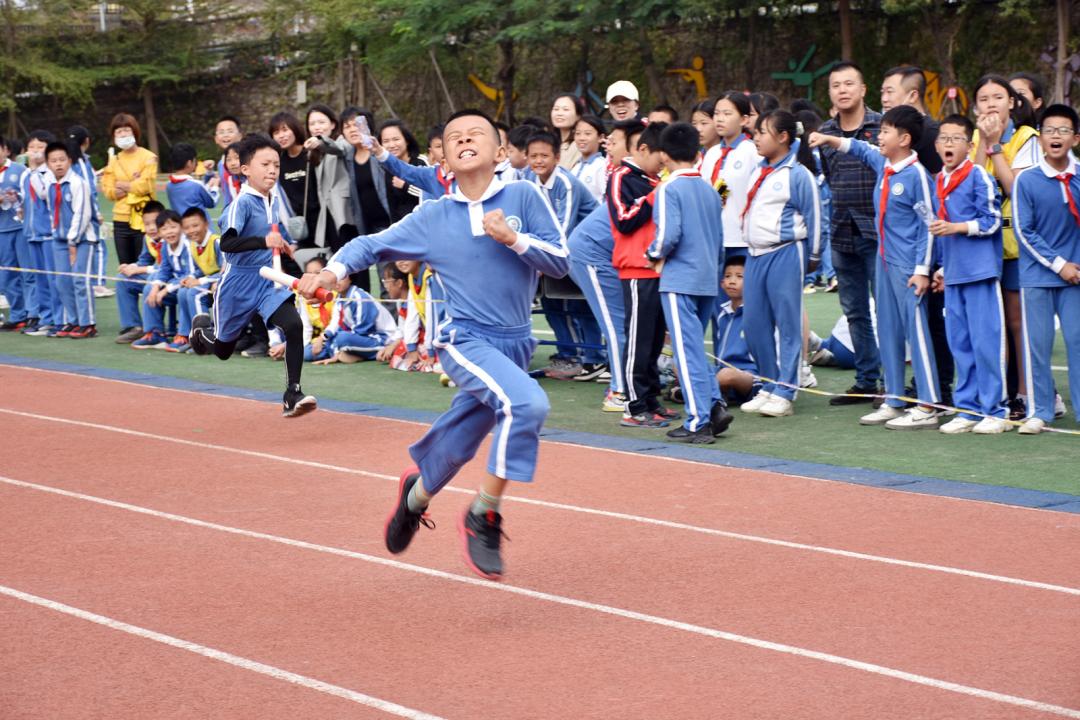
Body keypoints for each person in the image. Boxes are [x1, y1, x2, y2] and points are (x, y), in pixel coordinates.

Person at [298, 108, 569, 580]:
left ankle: (414, 498)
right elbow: (369, 246)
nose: (465, 141)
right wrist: (331, 272)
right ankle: (484, 514)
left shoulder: (524, 195)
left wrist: (514, 238)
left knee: (460, 443)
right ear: (443, 157)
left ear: (500, 151)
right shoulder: (434, 216)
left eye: (476, 135)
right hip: (465, 339)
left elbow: (561, 261)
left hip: (516, 344)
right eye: (454, 137)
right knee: (527, 405)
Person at [811, 105, 941, 430]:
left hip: (908, 267)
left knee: (916, 333)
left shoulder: (917, 176)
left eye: (885, 131)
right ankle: (895, 399)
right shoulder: (884, 166)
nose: (878, 136)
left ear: (905, 138)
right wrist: (827, 138)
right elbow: (856, 147)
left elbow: (931, 226)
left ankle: (928, 403)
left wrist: (923, 269)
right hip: (883, 262)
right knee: (888, 331)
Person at [189, 133, 317, 419]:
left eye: (276, 165)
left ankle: (292, 394)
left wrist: (279, 243)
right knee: (223, 349)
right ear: (245, 169)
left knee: (293, 325)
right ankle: (201, 330)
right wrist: (263, 242)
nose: (272, 170)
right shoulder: (241, 203)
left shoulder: (270, 199)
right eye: (265, 164)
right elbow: (227, 243)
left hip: (266, 279)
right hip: (236, 283)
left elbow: (267, 236)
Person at [645, 122, 732, 442]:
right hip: (708, 276)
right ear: (697, 153)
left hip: (680, 277)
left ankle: (698, 421)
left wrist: (651, 252)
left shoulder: (669, 188)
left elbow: (668, 235)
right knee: (695, 347)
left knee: (685, 351)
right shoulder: (710, 190)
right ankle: (714, 406)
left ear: (664, 155)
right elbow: (720, 240)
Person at [740, 111, 824, 419]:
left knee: (787, 322)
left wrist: (813, 256)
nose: (757, 137)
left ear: (783, 137)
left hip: (785, 251)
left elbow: (816, 217)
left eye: (763, 132)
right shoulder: (757, 170)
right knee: (753, 323)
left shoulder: (797, 174)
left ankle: (786, 390)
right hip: (755, 254)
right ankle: (768, 383)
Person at [928, 114, 1008, 434]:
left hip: (981, 274)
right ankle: (968, 408)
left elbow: (991, 221)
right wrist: (942, 269)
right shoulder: (939, 180)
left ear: (970, 145)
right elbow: (941, 230)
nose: (948, 144)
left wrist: (957, 227)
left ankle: (995, 409)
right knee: (959, 343)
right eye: (943, 138)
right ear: (935, 145)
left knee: (985, 343)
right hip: (955, 275)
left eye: (956, 138)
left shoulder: (978, 177)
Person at [971, 74, 1040, 419]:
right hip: (981, 245)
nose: (991, 104)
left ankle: (1030, 395)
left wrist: (994, 145)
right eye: (984, 99)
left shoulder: (1027, 138)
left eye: (998, 97)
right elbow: (968, 184)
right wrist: (981, 143)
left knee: (1017, 322)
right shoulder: (971, 138)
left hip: (1016, 243)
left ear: (1012, 102)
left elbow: (1017, 189)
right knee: (990, 323)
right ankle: (998, 395)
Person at [817, 62, 884, 405]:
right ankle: (866, 380)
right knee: (855, 310)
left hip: (878, 232)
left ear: (862, 89)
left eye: (848, 84)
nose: (842, 90)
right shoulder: (825, 131)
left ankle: (893, 384)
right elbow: (830, 178)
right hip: (841, 231)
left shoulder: (882, 126)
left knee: (886, 309)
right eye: (835, 85)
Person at [1012, 104, 1080, 435]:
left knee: (1078, 341)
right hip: (1038, 275)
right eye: (1049, 130)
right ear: (1041, 138)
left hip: (1076, 277)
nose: (1056, 136)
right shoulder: (1026, 179)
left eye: (1063, 130)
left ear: (1075, 138)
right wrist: (1059, 264)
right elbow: (1025, 231)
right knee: (1036, 344)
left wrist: (1074, 267)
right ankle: (1040, 411)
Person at [567, 118, 643, 413]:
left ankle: (635, 381)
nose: (608, 145)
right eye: (608, 140)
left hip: (614, 255)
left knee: (629, 322)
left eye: (613, 140)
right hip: (592, 254)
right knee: (616, 322)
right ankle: (620, 390)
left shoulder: (644, 174)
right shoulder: (624, 175)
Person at [609, 121, 676, 428]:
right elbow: (623, 220)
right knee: (637, 340)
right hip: (636, 270)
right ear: (643, 149)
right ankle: (634, 405)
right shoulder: (620, 175)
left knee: (651, 342)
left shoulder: (654, 180)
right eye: (660, 158)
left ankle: (651, 400)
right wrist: (653, 197)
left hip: (658, 270)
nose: (663, 165)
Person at [526, 130, 605, 381]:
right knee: (551, 302)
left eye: (544, 156)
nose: (538, 160)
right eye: (533, 155)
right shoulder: (528, 180)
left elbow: (564, 226)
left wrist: (539, 256)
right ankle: (568, 355)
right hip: (555, 251)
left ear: (557, 157)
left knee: (581, 303)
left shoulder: (566, 183)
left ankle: (594, 359)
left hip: (585, 249)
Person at [101, 113, 158, 342]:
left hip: (144, 220)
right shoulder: (113, 160)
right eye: (118, 132)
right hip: (121, 219)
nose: (123, 135)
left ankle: (152, 322)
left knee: (146, 265)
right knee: (126, 268)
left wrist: (125, 185)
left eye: (126, 131)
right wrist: (130, 185)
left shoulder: (148, 157)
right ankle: (132, 324)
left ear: (135, 132)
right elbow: (107, 189)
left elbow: (146, 184)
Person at [44, 141, 98, 339]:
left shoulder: (78, 183)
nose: (58, 164)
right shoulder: (50, 184)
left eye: (62, 160)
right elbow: (52, 210)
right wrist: (55, 231)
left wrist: (72, 241)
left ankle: (88, 324)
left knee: (80, 280)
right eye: (53, 161)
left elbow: (82, 214)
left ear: (69, 161)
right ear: (48, 164)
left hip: (82, 240)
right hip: (59, 240)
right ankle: (72, 321)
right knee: (63, 282)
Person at [701, 92, 759, 265]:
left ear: (744, 120)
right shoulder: (711, 154)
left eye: (727, 114)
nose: (719, 119)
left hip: (742, 239)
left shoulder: (752, 152)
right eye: (717, 113)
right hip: (714, 237)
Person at [339, 106, 392, 292]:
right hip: (367, 228)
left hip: (389, 224)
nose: (352, 129)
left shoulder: (380, 153)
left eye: (357, 124)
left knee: (390, 279)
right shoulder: (347, 157)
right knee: (382, 279)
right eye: (347, 126)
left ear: (368, 126)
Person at [132, 209, 190, 349]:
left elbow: (189, 274)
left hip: (191, 284)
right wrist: (156, 288)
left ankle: (184, 335)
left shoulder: (188, 245)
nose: (169, 232)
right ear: (160, 232)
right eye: (164, 229)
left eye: (173, 227)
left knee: (184, 293)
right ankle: (155, 333)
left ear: (181, 227)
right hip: (174, 284)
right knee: (149, 289)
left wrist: (165, 290)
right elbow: (164, 269)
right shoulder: (165, 246)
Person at [20, 130, 58, 335]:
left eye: (40, 147)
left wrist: (35, 171)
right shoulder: (26, 174)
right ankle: (45, 318)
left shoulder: (49, 173)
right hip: (31, 233)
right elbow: (25, 202)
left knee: (52, 279)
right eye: (31, 147)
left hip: (48, 234)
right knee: (39, 279)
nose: (34, 152)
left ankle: (56, 319)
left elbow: (45, 195)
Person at [169, 207, 222, 353]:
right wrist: (191, 277)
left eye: (195, 225)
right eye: (187, 227)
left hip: (221, 285)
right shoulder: (193, 245)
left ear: (206, 224)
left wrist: (200, 281)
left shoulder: (217, 242)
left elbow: (226, 272)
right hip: (208, 283)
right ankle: (187, 336)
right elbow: (201, 268)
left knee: (194, 294)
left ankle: (205, 340)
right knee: (182, 292)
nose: (191, 230)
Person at [303, 104, 353, 257]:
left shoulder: (342, 142)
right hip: (327, 214)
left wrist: (320, 142)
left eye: (321, 122)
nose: (317, 127)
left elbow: (337, 148)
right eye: (312, 124)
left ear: (332, 124)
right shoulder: (315, 153)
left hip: (345, 213)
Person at [67, 125, 109, 298]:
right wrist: (96, 212)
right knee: (98, 246)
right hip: (86, 210)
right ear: (86, 140)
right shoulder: (81, 160)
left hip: (71, 211)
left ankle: (82, 282)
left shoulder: (68, 159)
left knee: (77, 247)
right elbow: (88, 187)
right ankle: (97, 284)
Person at [115, 201, 165, 343]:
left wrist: (140, 269)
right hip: (156, 274)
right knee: (123, 279)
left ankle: (153, 330)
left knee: (153, 279)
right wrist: (129, 267)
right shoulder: (148, 239)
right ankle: (133, 327)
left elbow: (168, 268)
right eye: (146, 224)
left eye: (154, 223)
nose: (151, 228)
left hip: (172, 278)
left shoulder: (171, 237)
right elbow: (143, 261)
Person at [713, 255, 758, 404]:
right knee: (680, 365)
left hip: (750, 377)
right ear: (721, 283)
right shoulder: (722, 314)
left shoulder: (757, 315)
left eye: (740, 276)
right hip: (721, 371)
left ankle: (701, 391)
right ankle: (714, 391)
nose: (732, 281)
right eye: (728, 276)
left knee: (727, 376)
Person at [270, 112, 319, 247]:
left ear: (295, 129)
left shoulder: (311, 154)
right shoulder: (278, 162)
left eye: (285, 130)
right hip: (297, 225)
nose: (281, 136)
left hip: (321, 222)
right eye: (276, 132)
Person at [0, 134, 30, 332]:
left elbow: (30, 197)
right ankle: (18, 314)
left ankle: (34, 313)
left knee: (29, 272)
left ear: (6, 150)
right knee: (7, 275)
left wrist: (17, 198)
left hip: (22, 228)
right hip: (1, 231)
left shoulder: (20, 171)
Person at [379, 120, 425, 222]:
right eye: (386, 141)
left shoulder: (420, 162)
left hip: (425, 223)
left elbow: (432, 193)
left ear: (407, 140)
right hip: (403, 228)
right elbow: (391, 206)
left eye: (396, 139)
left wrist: (405, 186)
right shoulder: (385, 169)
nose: (391, 145)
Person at [166, 143, 218, 219]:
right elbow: (212, 202)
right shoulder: (196, 185)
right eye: (194, 160)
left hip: (182, 227)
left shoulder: (169, 185)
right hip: (200, 227)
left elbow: (193, 194)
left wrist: (209, 173)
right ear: (189, 163)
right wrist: (215, 187)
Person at [570, 115, 607, 203]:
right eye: (578, 133)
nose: (581, 138)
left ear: (601, 137)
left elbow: (606, 200)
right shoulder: (575, 166)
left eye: (587, 133)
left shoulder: (602, 166)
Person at [212, 116, 243, 205]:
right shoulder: (220, 164)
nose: (226, 135)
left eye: (230, 131)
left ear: (240, 136)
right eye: (221, 132)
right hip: (230, 211)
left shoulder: (247, 159)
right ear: (216, 139)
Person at [551, 93, 584, 169]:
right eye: (556, 109)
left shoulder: (579, 145)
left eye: (565, 109)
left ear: (578, 115)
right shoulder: (550, 143)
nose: (559, 113)